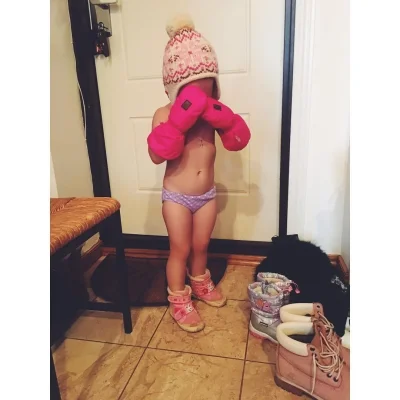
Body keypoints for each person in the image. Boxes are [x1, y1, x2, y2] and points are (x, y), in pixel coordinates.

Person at [147, 15, 251, 332]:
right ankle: (179, 299)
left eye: (209, 82)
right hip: (177, 197)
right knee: (180, 248)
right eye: (195, 85)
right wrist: (177, 123)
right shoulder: (163, 114)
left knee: (202, 245)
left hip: (206, 195)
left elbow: (235, 140)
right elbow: (156, 155)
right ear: (175, 86)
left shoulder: (210, 115)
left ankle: (200, 282)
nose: (203, 90)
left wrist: (227, 121)